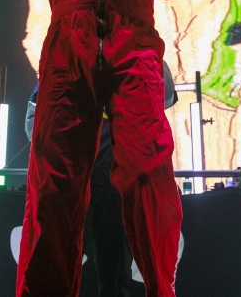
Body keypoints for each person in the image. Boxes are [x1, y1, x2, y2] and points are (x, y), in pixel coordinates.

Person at [16, 0, 192, 297]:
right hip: (68, 58)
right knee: (54, 183)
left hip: (132, 54)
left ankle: (160, 288)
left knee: (148, 169)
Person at [25, 63, 179, 297]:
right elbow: (34, 119)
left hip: (114, 184)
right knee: (58, 261)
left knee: (113, 267)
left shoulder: (134, 54)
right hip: (71, 180)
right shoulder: (68, 56)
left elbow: (164, 95)